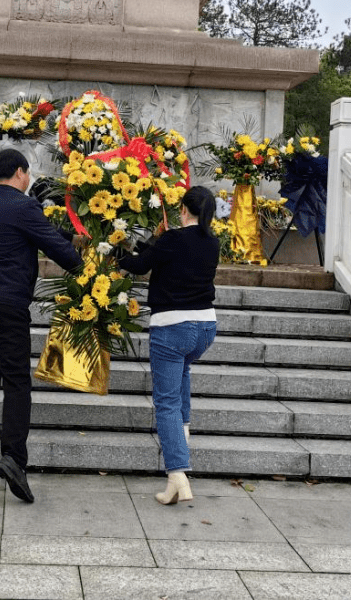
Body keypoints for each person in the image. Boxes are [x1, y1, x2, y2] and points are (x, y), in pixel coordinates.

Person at [0, 148, 83, 503]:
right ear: (19, 172)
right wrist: (83, 269)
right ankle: (14, 458)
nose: (28, 179)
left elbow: (35, 230)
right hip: (5, 302)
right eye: (27, 173)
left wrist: (68, 232)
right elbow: (58, 252)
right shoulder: (23, 204)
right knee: (16, 379)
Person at [118, 185, 220, 504]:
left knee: (165, 402)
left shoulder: (173, 239)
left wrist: (116, 252)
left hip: (172, 328)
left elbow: (139, 265)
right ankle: (182, 443)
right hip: (205, 327)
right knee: (182, 377)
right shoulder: (213, 242)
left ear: (184, 211)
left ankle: (177, 474)